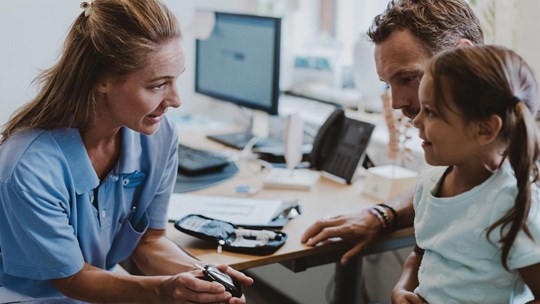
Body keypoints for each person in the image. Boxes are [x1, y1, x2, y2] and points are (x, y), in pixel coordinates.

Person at [0, 0, 253, 303]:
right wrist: (163, 289)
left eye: (176, 80)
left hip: (101, 283)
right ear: (103, 81)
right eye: (159, 85)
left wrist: (200, 276)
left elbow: (150, 242)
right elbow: (72, 278)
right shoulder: (28, 167)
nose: (175, 100)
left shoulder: (158, 137)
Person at [301, 0, 484, 265]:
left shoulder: (525, 150)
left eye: (408, 78)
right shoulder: (459, 142)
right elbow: (437, 182)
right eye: (387, 84)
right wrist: (382, 214)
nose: (396, 103)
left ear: (463, 58)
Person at [392, 45, 540, 303]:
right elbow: (420, 254)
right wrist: (402, 289)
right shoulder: (428, 184)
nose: (416, 120)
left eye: (431, 111)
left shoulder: (512, 203)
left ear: (485, 129)